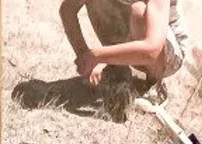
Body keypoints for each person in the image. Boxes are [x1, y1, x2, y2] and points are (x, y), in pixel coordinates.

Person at [59, 0, 190, 96]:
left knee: (138, 10)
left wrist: (96, 56)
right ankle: (118, 67)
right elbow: (68, 9)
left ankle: (152, 83)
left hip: (169, 55)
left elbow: (152, 50)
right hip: (134, 39)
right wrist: (83, 56)